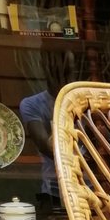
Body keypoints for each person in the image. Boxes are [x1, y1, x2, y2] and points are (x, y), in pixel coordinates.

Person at [19, 49, 77, 200]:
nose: (63, 78)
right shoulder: (31, 104)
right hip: (54, 189)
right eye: (56, 71)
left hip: (91, 187)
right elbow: (47, 147)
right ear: (44, 69)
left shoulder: (85, 101)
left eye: (68, 71)